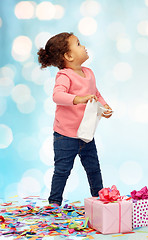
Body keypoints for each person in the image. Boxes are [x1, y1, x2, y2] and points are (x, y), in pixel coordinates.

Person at [37, 32, 112, 206]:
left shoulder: (89, 73)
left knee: (93, 168)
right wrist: (78, 99)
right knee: (62, 170)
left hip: (86, 133)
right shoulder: (65, 75)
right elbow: (57, 96)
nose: (83, 46)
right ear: (68, 56)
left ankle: (100, 200)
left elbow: (96, 94)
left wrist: (105, 107)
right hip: (65, 135)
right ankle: (54, 202)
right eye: (78, 44)